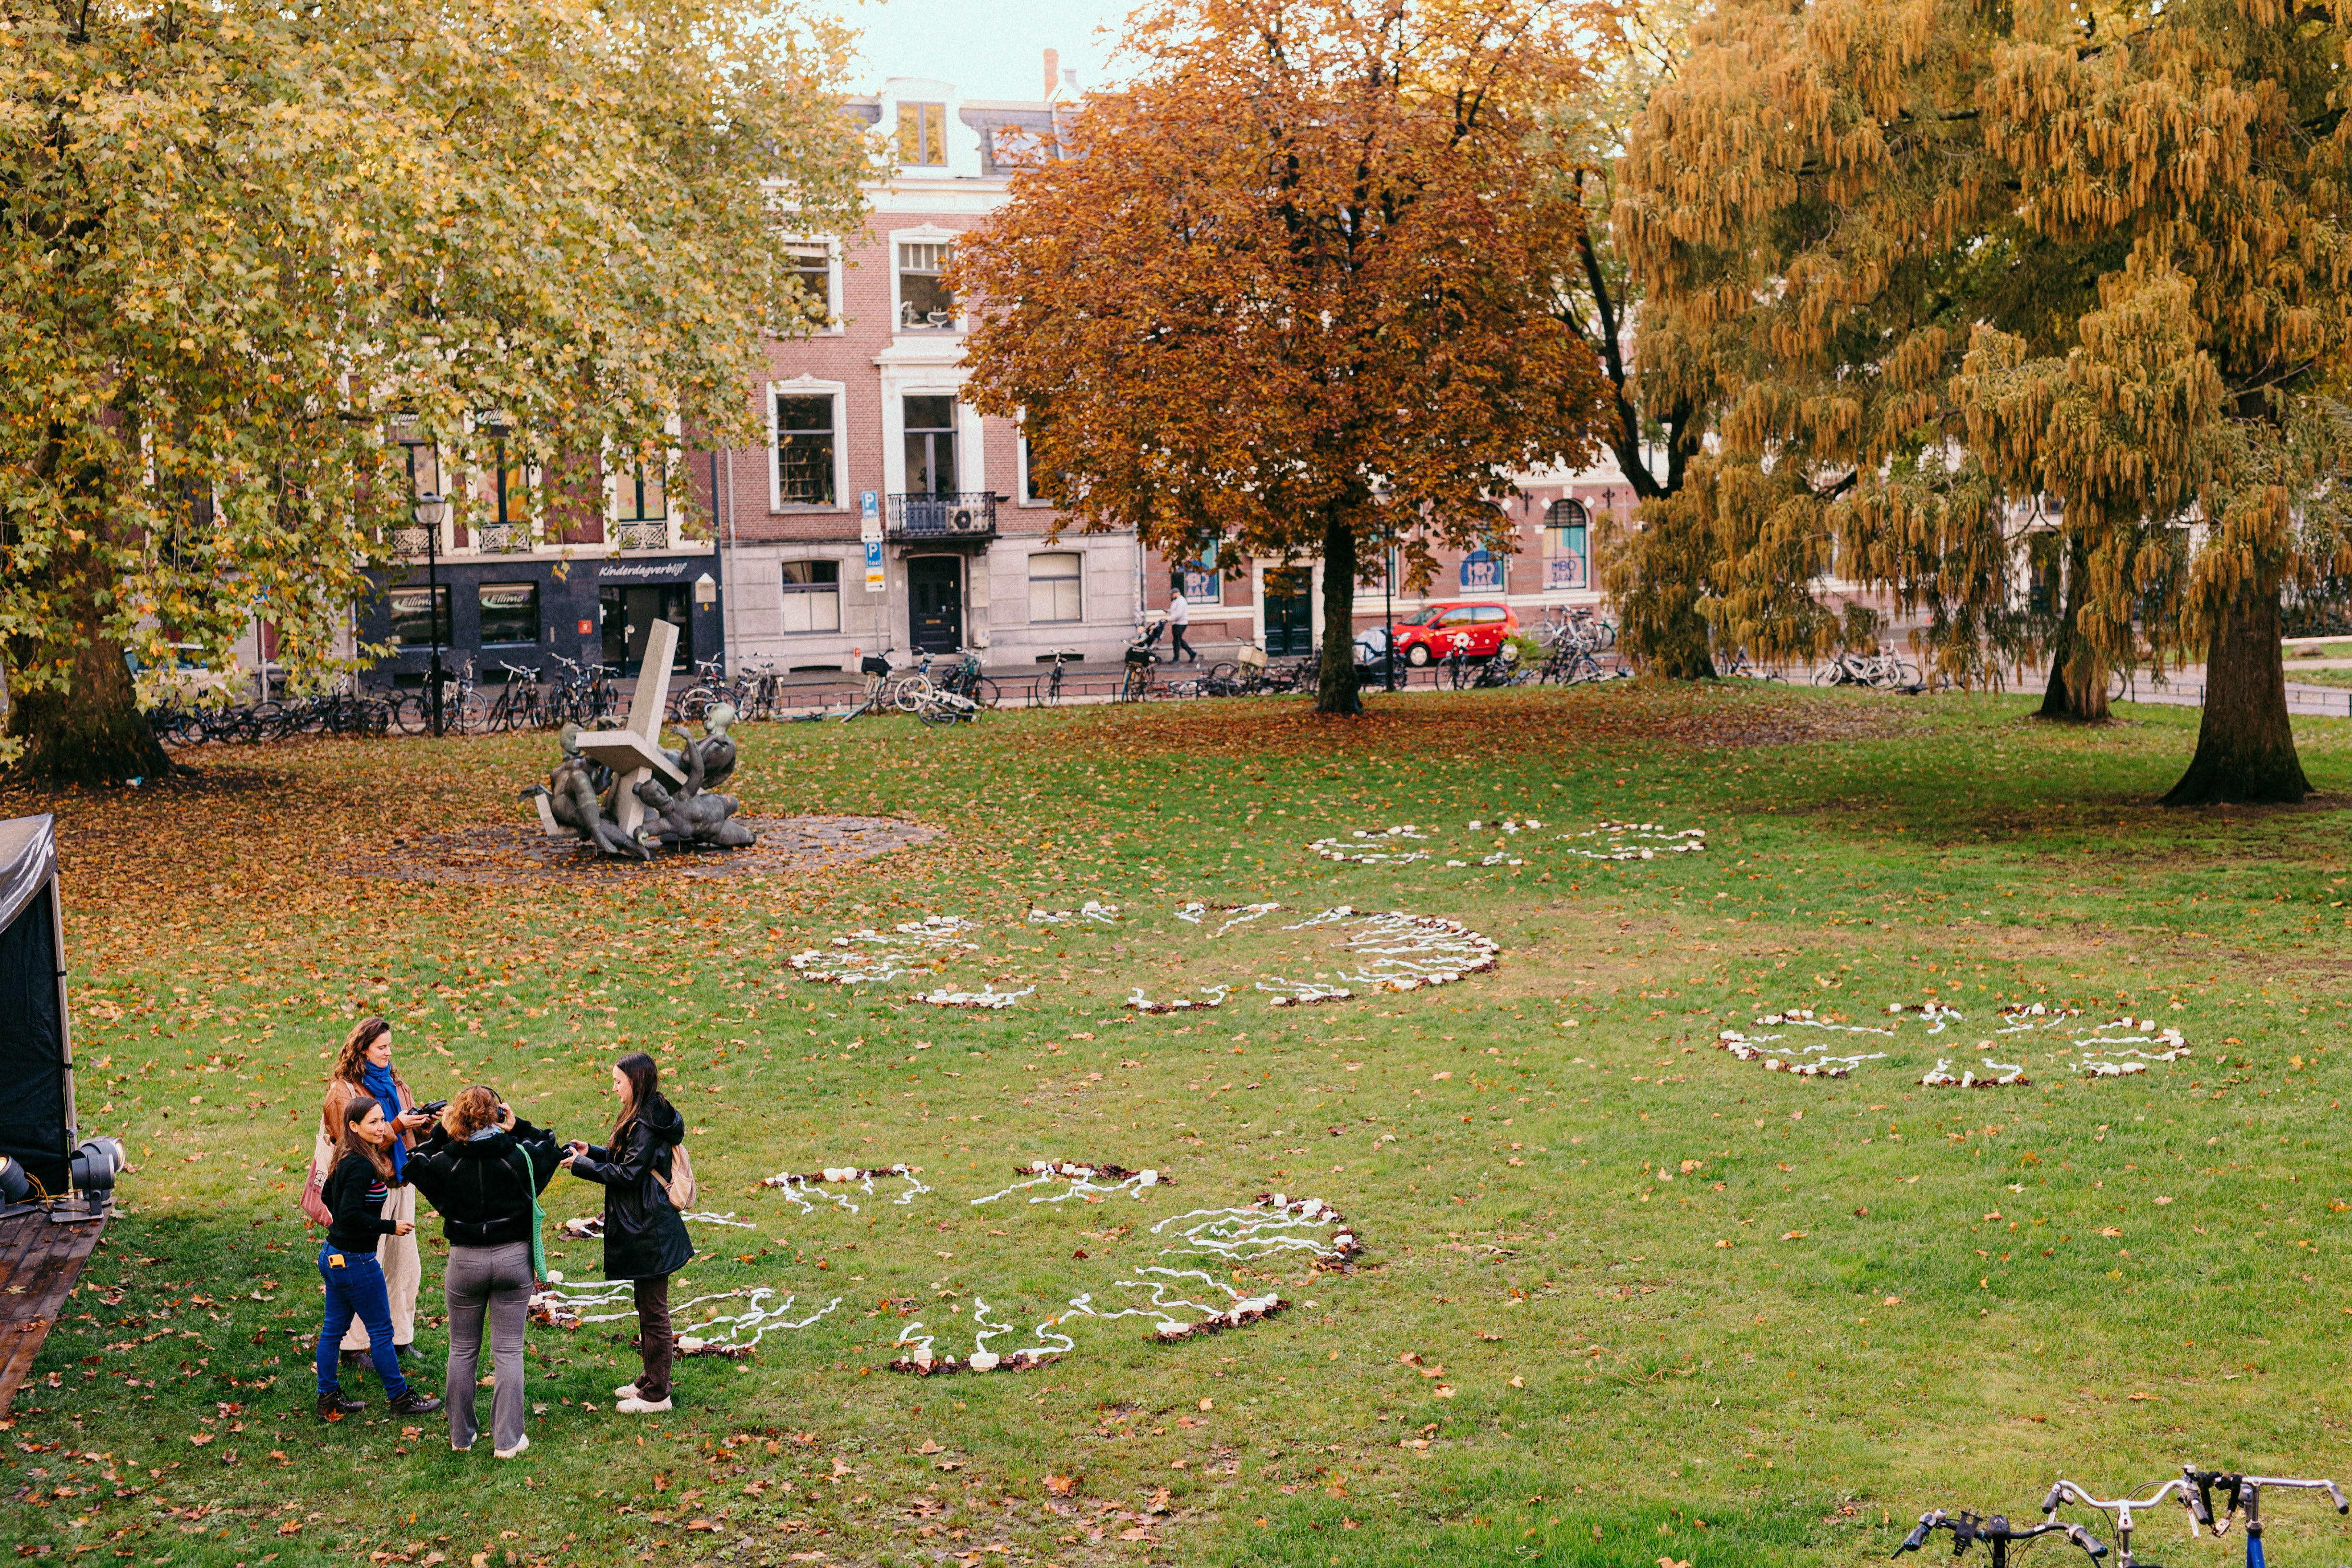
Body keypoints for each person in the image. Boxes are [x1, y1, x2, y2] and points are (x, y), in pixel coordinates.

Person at [405, 1086, 560, 1458]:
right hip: (513, 1259)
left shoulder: (446, 1161)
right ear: (496, 1115)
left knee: (461, 1350)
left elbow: (413, 1163)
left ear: (456, 1118)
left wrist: (440, 1134)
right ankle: (507, 1440)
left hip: (465, 1261)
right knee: (508, 1351)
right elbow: (550, 1146)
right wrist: (518, 1125)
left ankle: (461, 1435)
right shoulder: (519, 1155)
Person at [560, 1053, 692, 1414]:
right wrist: (593, 1152)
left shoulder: (645, 1122)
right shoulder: (647, 1113)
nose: (614, 1087)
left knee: (654, 1312)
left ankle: (658, 1394)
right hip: (646, 1223)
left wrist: (583, 1166)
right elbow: (632, 1159)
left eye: (619, 1081)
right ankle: (650, 1379)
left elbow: (630, 1175)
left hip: (651, 1229)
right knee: (646, 1307)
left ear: (636, 1081)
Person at [315, 1094, 442, 1420]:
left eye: (383, 1120)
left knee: (333, 1330)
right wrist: (390, 1226)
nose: (381, 1126)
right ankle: (400, 1399)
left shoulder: (347, 1154)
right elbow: (350, 1213)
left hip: (333, 1255)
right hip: (356, 1261)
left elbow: (328, 1195)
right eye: (372, 1122)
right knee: (382, 1333)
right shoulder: (361, 1164)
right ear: (354, 1126)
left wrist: (345, 1227)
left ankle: (327, 1398)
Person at [321, 1018, 431, 1370]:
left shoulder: (395, 1084)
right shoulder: (343, 1092)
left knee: (404, 1267)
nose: (388, 1053)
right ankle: (353, 1346)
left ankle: (400, 1337)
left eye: (390, 1046)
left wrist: (426, 1124)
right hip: (368, 1187)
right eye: (381, 1047)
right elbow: (349, 1145)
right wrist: (396, 1126)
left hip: (401, 1182)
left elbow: (409, 1136)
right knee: (365, 1267)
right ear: (362, 1049)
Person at [1167, 586, 1198, 664]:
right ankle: (1192, 653)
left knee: (1176, 642)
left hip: (1180, 623)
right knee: (1179, 640)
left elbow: (1179, 614)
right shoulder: (1176, 601)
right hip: (1177, 623)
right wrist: (1168, 611)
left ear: (1177, 593)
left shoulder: (1181, 601)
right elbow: (1175, 611)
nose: (1172, 596)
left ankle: (1176, 659)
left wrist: (1168, 619)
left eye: (1173, 594)